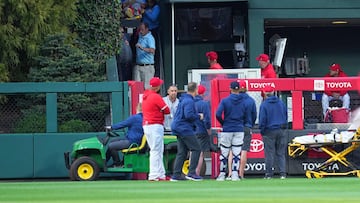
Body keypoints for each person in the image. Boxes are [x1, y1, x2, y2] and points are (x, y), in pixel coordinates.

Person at [215, 80, 252, 181]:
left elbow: (218, 114)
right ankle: (235, 174)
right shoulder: (244, 101)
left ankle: (222, 174)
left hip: (227, 128)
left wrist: (223, 123)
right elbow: (248, 116)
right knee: (236, 152)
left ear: (230, 89)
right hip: (239, 128)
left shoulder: (225, 100)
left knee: (224, 152)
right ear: (239, 89)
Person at [170, 82, 203, 181]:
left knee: (182, 151)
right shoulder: (189, 101)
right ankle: (191, 173)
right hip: (184, 128)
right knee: (196, 148)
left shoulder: (183, 99)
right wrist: (199, 116)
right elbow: (188, 115)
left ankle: (176, 175)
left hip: (178, 127)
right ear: (195, 89)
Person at [142, 77, 170, 181]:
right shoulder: (155, 96)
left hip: (147, 124)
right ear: (157, 87)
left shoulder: (146, 95)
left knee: (158, 150)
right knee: (155, 150)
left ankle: (161, 174)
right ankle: (153, 175)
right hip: (155, 125)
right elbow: (167, 110)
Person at [259, 85, 288, 179]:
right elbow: (286, 115)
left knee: (269, 154)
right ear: (274, 91)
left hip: (269, 130)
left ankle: (269, 174)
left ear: (264, 93)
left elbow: (262, 120)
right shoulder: (280, 102)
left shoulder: (264, 104)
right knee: (281, 153)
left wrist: (262, 131)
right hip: (281, 129)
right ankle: (283, 174)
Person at [106, 103, 144, 167]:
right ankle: (116, 162)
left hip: (132, 141)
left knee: (111, 146)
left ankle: (117, 164)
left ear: (137, 109)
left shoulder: (135, 118)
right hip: (136, 140)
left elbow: (123, 124)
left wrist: (111, 127)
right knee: (113, 140)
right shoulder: (145, 118)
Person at [238, 80, 257, 179]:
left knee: (233, 150)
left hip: (235, 127)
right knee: (244, 150)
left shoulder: (233, 100)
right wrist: (250, 125)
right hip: (246, 127)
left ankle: (231, 173)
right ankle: (241, 174)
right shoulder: (250, 100)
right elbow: (254, 116)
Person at [194, 85, 212, 175]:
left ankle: (191, 172)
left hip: (190, 131)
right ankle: (196, 173)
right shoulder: (204, 104)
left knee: (192, 152)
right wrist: (208, 128)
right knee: (200, 153)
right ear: (203, 93)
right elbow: (207, 119)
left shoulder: (189, 102)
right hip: (201, 130)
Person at [133, 22, 156, 89]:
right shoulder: (140, 35)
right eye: (140, 29)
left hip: (147, 67)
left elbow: (152, 50)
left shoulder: (150, 38)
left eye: (142, 29)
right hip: (138, 65)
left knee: (147, 88)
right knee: (136, 88)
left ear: (147, 29)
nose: (141, 31)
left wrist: (142, 48)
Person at [142, 0, 161, 77]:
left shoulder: (156, 7)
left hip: (153, 31)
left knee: (154, 52)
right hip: (144, 31)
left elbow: (153, 18)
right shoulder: (146, 7)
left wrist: (145, 12)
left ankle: (155, 73)